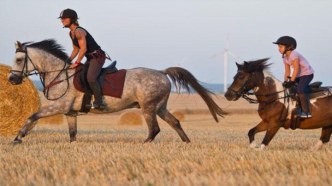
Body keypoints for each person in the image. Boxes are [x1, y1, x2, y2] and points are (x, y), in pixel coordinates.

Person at [59, 8, 106, 110]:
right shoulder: (71, 33)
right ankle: (87, 101)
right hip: (90, 58)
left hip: (98, 57)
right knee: (82, 76)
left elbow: (83, 49)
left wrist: (77, 62)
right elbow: (76, 50)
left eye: (64, 18)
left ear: (72, 19)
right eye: (61, 18)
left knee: (91, 78)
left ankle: (99, 102)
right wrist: (67, 61)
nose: (62, 20)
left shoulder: (79, 31)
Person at [273, 36, 314, 118]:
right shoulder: (285, 58)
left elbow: (296, 68)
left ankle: (306, 112)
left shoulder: (294, 54)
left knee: (300, 89)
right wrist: (285, 82)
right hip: (299, 75)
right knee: (291, 90)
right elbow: (287, 72)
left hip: (307, 74)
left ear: (288, 47)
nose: (279, 49)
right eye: (278, 47)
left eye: (281, 47)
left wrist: (291, 81)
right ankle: (299, 107)